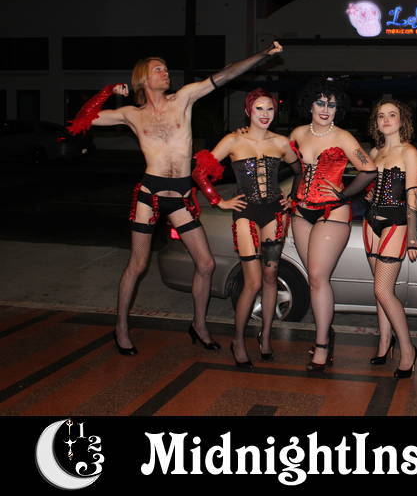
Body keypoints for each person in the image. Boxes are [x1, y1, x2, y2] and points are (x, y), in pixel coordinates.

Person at [66, 42, 284, 355]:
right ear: (143, 78)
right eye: (159, 69)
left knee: (206, 264)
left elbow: (225, 75)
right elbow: (83, 120)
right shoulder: (131, 114)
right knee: (138, 264)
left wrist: (262, 56)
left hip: (181, 196)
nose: (166, 73)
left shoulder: (183, 98)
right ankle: (121, 327)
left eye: (166, 68)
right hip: (149, 195)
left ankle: (199, 325)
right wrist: (107, 91)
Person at [192, 89, 299, 368]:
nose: (265, 114)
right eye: (259, 108)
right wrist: (219, 201)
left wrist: (293, 198)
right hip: (246, 213)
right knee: (252, 282)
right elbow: (199, 172)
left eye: (270, 109)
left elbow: (300, 170)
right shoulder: (233, 140)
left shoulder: (281, 142)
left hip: (275, 213)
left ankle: (266, 337)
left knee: (271, 277)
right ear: (248, 110)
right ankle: (238, 340)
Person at [288, 78, 377, 371]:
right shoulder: (297, 133)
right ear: (310, 105)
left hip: (333, 212)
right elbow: (296, 170)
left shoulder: (344, 137)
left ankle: (322, 344)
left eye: (332, 105)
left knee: (317, 276)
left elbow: (369, 170)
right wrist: (291, 195)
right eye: (320, 103)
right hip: (301, 212)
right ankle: (327, 331)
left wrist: (343, 194)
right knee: (313, 279)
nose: (326, 109)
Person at [363, 99, 417, 377]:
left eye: (392, 115)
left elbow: (413, 195)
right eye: (381, 116)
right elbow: (370, 185)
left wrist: (412, 237)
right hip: (370, 221)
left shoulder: (409, 151)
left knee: (383, 290)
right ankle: (384, 344)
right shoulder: (374, 152)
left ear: (402, 120)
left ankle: (408, 349)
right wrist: (369, 193)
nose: (386, 120)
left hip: (396, 222)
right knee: (379, 291)